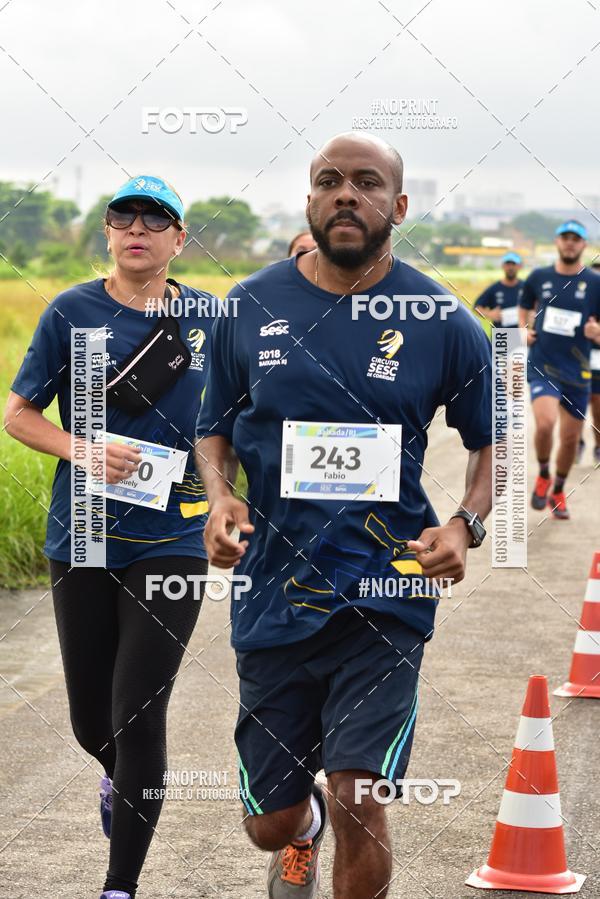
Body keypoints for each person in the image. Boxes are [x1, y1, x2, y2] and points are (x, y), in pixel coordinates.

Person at [195, 132, 492, 899]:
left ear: (397, 205)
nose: (346, 195)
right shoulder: (250, 305)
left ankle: (338, 820)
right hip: (272, 593)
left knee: (362, 794)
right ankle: (301, 831)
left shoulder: (440, 318)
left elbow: (497, 444)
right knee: (272, 818)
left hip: (385, 592)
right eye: (330, 181)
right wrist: (221, 495)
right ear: (310, 200)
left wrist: (464, 524)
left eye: (366, 183)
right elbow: (212, 429)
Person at [4, 176, 217, 899]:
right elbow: (19, 414)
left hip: (175, 536)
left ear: (179, 239)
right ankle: (116, 775)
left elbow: (253, 410)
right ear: (107, 231)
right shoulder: (72, 311)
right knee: (91, 718)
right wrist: (82, 449)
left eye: (156, 219)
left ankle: (119, 885)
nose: (138, 227)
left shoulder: (211, 318)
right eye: (123, 216)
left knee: (139, 712)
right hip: (84, 531)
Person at [518, 220, 600, 519]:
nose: (569, 243)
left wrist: (596, 334)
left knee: (568, 439)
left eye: (575, 239)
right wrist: (523, 330)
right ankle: (542, 473)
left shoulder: (594, 282)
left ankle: (558, 488)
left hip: (578, 371)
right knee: (544, 424)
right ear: (557, 242)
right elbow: (524, 306)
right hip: (543, 365)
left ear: (583, 245)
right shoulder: (539, 276)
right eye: (565, 238)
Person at [580, 260, 600, 463]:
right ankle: (577, 443)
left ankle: (598, 447)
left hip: (597, 363)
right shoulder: (578, 302)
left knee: (597, 409)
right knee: (575, 408)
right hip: (575, 362)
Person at [473, 252, 523, 326]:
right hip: (501, 334)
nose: (510, 267)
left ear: (519, 266)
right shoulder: (494, 288)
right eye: (508, 264)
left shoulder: (526, 287)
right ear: (503, 266)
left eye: (513, 264)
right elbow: (476, 308)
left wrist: (533, 314)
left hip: (522, 333)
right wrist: (489, 314)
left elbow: (538, 306)